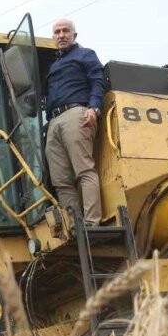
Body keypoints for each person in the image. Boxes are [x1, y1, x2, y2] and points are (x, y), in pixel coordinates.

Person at [44, 18, 106, 226]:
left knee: (84, 170)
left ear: (74, 35)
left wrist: (94, 107)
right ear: (53, 37)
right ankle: (73, 224)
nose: (61, 35)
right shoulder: (54, 65)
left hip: (76, 113)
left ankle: (91, 222)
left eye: (65, 31)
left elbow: (98, 80)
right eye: (57, 32)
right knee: (61, 180)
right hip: (54, 120)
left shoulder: (85, 55)